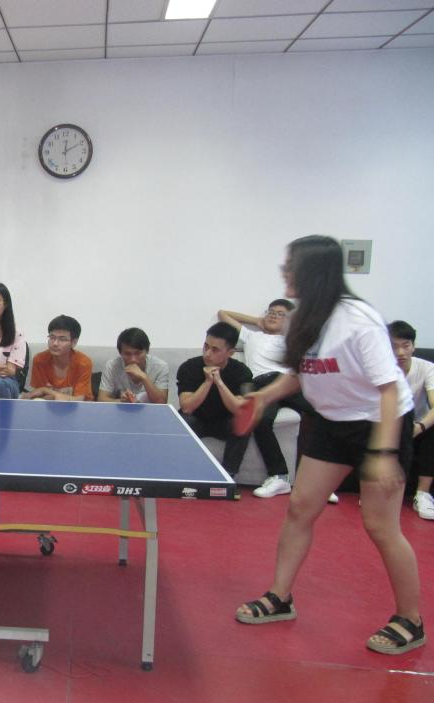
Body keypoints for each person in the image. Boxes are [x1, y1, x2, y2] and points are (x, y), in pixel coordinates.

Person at [235, 235, 423, 656]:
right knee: (300, 507)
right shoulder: (301, 319)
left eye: (290, 265)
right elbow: (300, 374)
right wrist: (264, 396)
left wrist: (383, 454)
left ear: (313, 271)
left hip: (378, 422)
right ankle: (280, 596)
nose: (284, 271)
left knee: (380, 525)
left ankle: (410, 619)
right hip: (331, 421)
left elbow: (389, 388)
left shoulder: (358, 320)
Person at [218, 301, 337, 503]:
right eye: (271, 312)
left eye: (280, 314)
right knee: (261, 421)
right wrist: (258, 321)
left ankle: (322, 484)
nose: (273, 316)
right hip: (262, 385)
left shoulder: (293, 340)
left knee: (325, 414)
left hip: (289, 383)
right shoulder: (252, 336)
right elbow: (223, 313)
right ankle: (280, 477)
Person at [176, 322, 253, 485]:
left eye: (215, 350)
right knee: (181, 420)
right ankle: (181, 474)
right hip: (197, 418)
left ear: (230, 353)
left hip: (224, 421)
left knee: (243, 421)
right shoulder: (189, 367)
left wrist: (219, 382)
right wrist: (207, 382)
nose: (207, 353)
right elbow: (187, 407)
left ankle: (228, 477)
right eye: (206, 346)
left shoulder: (242, 372)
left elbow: (240, 410)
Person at [388, 320, 434, 520]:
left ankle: (422, 495)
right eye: (394, 346)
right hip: (389, 425)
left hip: (419, 426)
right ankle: (377, 492)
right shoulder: (380, 369)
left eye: (406, 345)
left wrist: (419, 426)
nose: (400, 352)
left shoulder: (427, 368)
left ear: (413, 346)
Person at [20, 315, 93, 401]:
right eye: (52, 337)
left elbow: (78, 400)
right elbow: (39, 398)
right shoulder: (40, 360)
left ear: (74, 342)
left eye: (62, 339)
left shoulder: (83, 363)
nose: (55, 343)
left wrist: (45, 390)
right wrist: (50, 394)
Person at [97, 327, 169, 404]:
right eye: (127, 354)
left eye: (138, 353)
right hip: (121, 409)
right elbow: (101, 399)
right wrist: (122, 401)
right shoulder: (112, 366)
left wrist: (144, 377)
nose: (133, 359)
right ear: (120, 353)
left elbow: (161, 402)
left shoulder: (161, 367)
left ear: (147, 351)